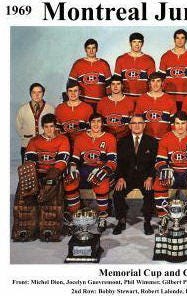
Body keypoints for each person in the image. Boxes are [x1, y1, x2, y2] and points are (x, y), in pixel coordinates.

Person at [13, 113, 70, 241]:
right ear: (42, 127)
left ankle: (49, 230)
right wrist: (31, 179)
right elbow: (29, 161)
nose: (49, 130)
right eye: (46, 127)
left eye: (52, 126)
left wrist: (50, 179)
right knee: (25, 196)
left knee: (50, 199)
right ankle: (24, 229)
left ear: (55, 127)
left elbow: (62, 162)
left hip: (54, 174)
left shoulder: (62, 140)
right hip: (37, 174)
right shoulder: (34, 141)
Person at [153, 111, 187, 231]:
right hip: (173, 173)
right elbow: (159, 160)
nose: (180, 126)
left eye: (183, 123)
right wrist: (164, 168)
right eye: (177, 123)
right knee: (160, 182)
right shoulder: (166, 138)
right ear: (173, 124)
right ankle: (163, 216)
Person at [64, 113, 117, 232]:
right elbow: (75, 159)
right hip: (84, 169)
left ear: (102, 124)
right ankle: (76, 216)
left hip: (102, 169)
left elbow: (112, 161)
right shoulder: (80, 138)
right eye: (93, 122)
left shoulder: (109, 138)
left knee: (101, 181)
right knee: (70, 181)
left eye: (99, 121)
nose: (96, 124)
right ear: (89, 123)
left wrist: (103, 171)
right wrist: (72, 168)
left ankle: (103, 216)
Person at [113, 115, 158, 235]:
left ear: (144, 125)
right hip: (127, 177)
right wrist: (120, 178)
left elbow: (156, 163)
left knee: (150, 192)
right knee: (117, 192)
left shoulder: (152, 142)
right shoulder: (122, 142)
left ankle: (147, 222)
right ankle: (121, 220)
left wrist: (150, 177)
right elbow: (118, 163)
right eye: (134, 123)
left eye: (140, 123)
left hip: (145, 177)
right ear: (129, 126)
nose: (137, 125)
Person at [159, 29, 187, 110]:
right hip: (169, 97)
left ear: (186, 40)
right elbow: (161, 79)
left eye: (182, 38)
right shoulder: (166, 56)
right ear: (174, 40)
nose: (180, 40)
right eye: (177, 38)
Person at [16, 83, 55, 163]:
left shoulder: (51, 108)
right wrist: (27, 137)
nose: (36, 95)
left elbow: (54, 127)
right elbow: (18, 127)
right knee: (28, 172)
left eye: (39, 92)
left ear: (43, 93)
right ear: (30, 93)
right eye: (34, 92)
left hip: (46, 146)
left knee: (44, 170)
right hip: (27, 145)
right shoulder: (23, 109)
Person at [114, 32, 156, 107]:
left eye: (139, 42)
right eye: (134, 42)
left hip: (143, 98)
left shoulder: (149, 60)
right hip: (125, 98)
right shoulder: (121, 59)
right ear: (130, 43)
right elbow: (116, 81)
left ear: (142, 44)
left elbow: (152, 83)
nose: (137, 44)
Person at [68, 38, 112, 109]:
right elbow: (71, 83)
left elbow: (109, 85)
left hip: (100, 103)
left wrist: (108, 101)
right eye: (88, 48)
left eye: (93, 48)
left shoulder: (104, 64)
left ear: (97, 49)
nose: (91, 51)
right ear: (85, 49)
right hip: (83, 102)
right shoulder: (78, 64)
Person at [135, 72, 177, 140]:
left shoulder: (170, 100)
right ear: (149, 83)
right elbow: (138, 122)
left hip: (164, 140)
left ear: (162, 83)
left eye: (158, 81)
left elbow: (174, 124)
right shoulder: (141, 99)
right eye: (153, 81)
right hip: (146, 140)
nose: (155, 84)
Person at [96, 75, 135, 141]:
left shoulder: (130, 102)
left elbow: (133, 124)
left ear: (122, 86)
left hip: (125, 139)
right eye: (113, 84)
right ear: (110, 86)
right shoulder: (102, 102)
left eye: (118, 84)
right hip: (106, 138)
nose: (115, 86)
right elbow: (98, 123)